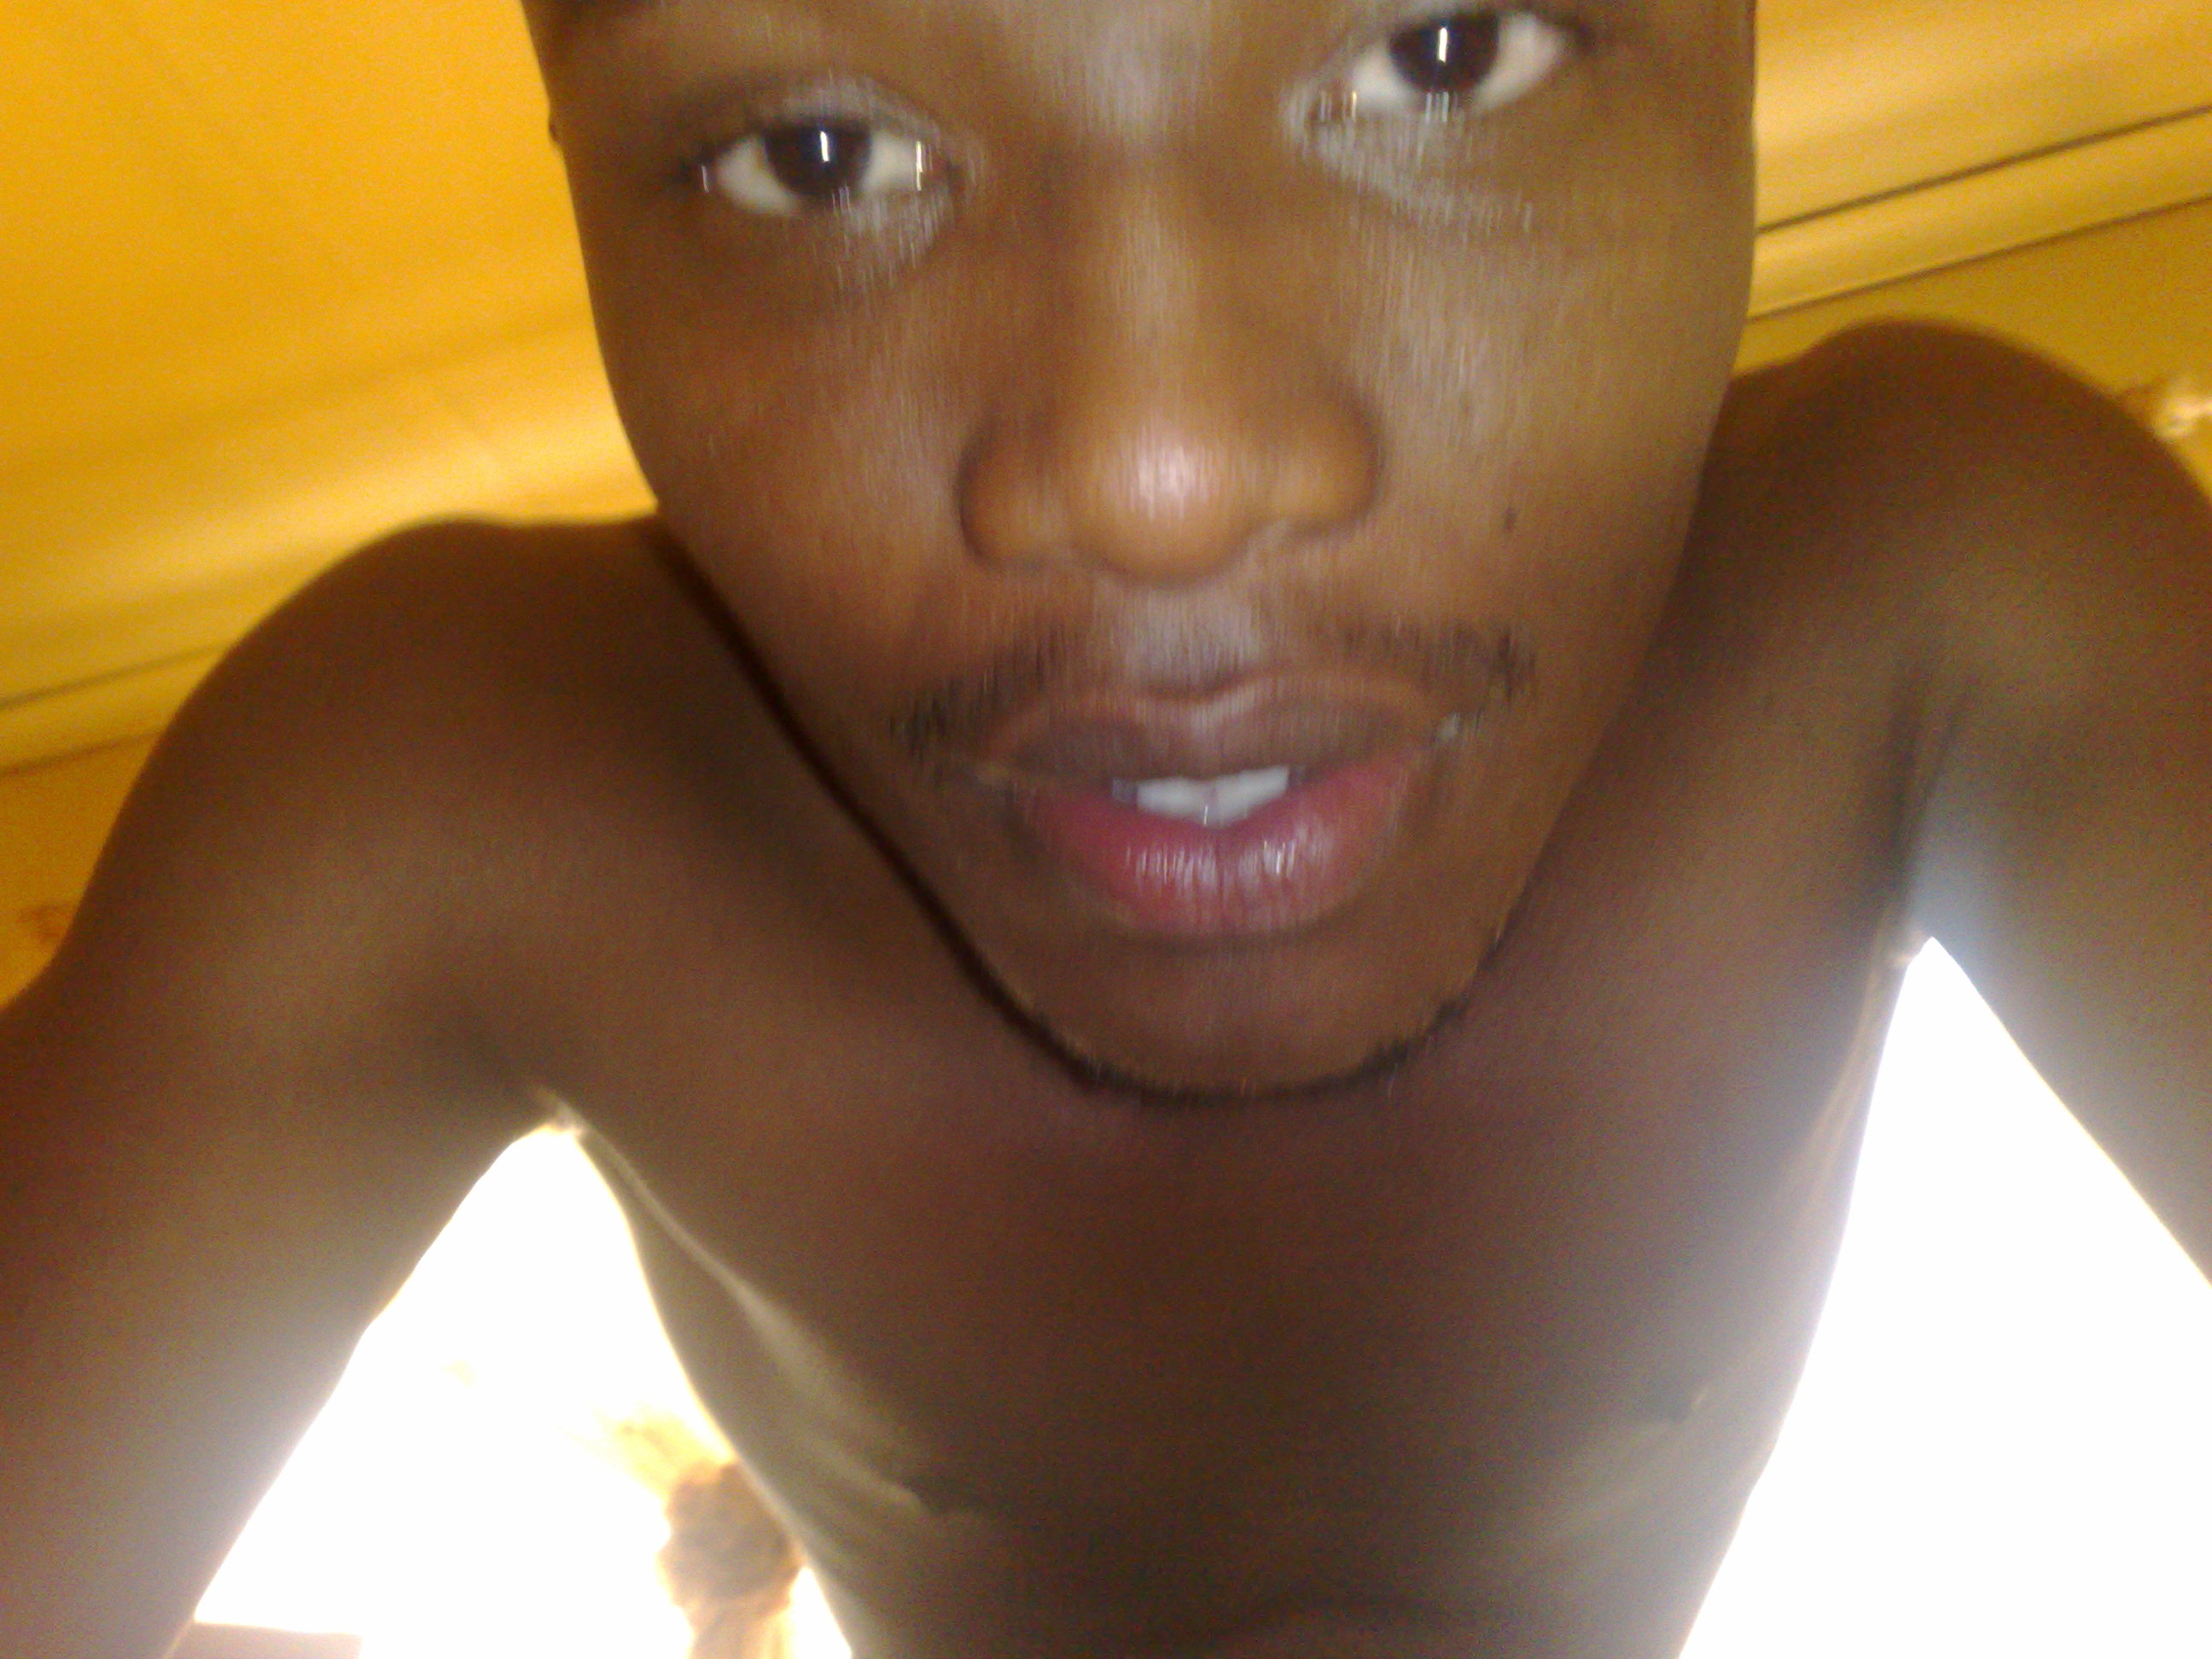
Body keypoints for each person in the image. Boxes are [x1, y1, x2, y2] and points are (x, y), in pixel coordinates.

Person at [3, 1, 2208, 1655]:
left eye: (1445, 51)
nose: (1158, 472)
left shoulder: (1924, 595)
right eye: (817, 154)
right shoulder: (463, 798)